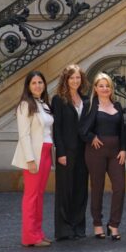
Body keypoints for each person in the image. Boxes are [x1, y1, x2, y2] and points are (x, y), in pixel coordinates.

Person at [80, 73, 126, 240]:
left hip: (116, 152)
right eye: (101, 86)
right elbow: (82, 129)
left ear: (111, 88)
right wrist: (92, 137)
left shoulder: (118, 106)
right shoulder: (90, 105)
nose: (105, 88)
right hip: (95, 152)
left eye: (107, 86)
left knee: (120, 187)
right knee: (97, 188)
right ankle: (97, 224)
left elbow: (123, 130)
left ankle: (114, 224)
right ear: (95, 88)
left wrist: (124, 149)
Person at [12, 71, 54, 247]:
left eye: (40, 82)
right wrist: (30, 159)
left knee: (39, 196)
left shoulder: (43, 104)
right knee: (31, 196)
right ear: (28, 87)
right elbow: (24, 135)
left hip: (46, 152)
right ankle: (29, 236)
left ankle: (38, 233)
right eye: (34, 83)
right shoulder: (24, 105)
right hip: (34, 155)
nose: (38, 85)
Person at [51, 64, 89, 241]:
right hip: (66, 151)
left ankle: (78, 226)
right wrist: (60, 152)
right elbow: (56, 128)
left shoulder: (86, 99)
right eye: (72, 77)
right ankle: (63, 229)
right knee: (65, 190)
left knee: (81, 189)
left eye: (78, 77)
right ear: (66, 80)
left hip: (84, 151)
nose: (75, 80)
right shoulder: (58, 100)